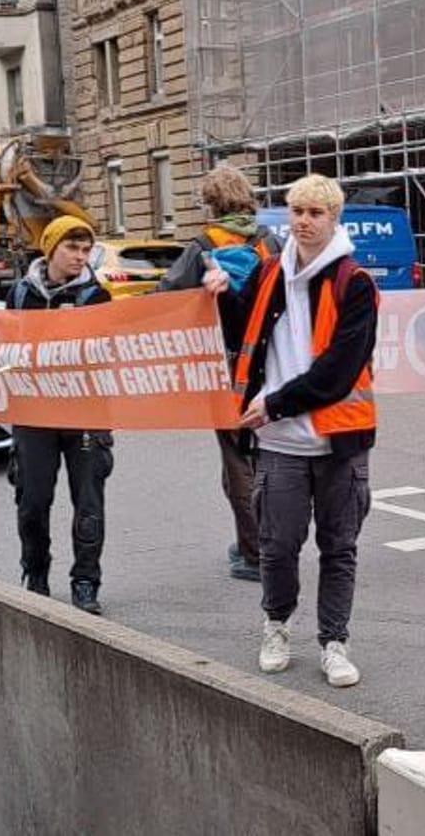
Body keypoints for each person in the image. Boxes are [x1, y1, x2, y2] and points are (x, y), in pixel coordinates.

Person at [206, 174, 378, 689]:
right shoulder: (268, 274)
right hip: (279, 442)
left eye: (315, 213)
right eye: (296, 212)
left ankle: (333, 642)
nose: (303, 221)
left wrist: (275, 403)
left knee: (338, 546)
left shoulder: (355, 283)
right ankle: (276, 625)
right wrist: (220, 296)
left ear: (334, 218)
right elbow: (244, 336)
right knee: (277, 546)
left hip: (337, 439)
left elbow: (340, 370)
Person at [156, 163, 282, 582]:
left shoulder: (204, 246)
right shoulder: (269, 243)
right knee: (264, 456)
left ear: (211, 203)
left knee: (235, 460)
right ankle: (272, 540)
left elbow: (166, 300)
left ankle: (254, 553)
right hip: (269, 361)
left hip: (225, 364)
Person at [5, 215, 115, 615]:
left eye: (86, 250)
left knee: (87, 502)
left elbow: (110, 351)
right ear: (51, 249)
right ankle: (35, 574)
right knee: (32, 501)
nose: (79, 257)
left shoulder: (97, 297)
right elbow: (3, 344)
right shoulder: (20, 294)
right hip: (34, 414)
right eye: (71, 248)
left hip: (85, 413)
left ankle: (86, 581)